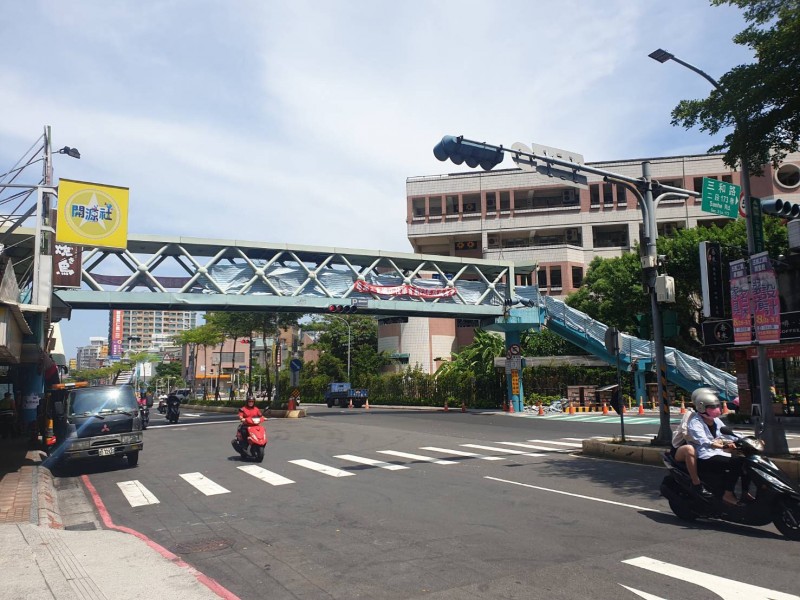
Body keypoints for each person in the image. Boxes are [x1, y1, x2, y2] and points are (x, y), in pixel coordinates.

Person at [686, 388, 747, 506]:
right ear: (701, 407)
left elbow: (728, 433)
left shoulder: (716, 420)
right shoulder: (695, 422)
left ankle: (745, 492)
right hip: (705, 455)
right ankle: (728, 494)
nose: (716, 410)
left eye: (717, 406)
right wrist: (722, 445)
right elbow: (703, 440)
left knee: (746, 460)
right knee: (736, 461)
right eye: (712, 407)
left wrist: (745, 439)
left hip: (719, 452)